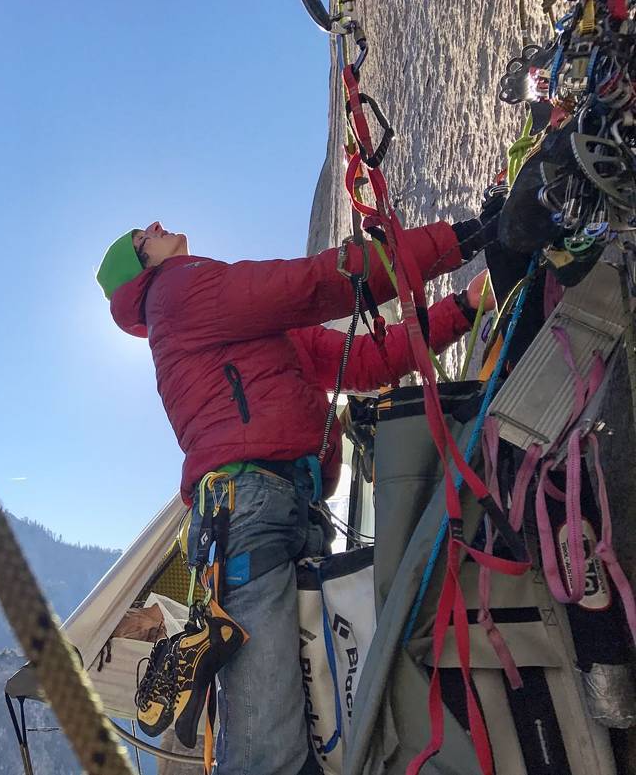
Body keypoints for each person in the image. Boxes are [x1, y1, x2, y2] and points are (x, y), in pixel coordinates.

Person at [96, 211, 499, 774]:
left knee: (326, 718)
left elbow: (365, 361)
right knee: (273, 752)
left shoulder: (249, 331)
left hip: (278, 511)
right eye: (143, 235)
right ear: (140, 269)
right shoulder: (175, 292)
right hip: (251, 513)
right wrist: (461, 238)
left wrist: (463, 305)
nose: (157, 225)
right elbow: (311, 284)